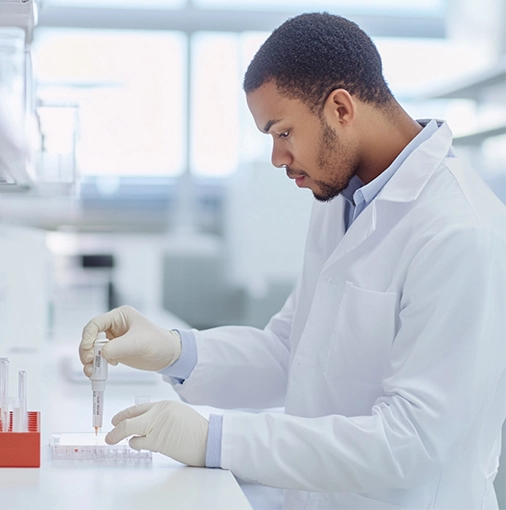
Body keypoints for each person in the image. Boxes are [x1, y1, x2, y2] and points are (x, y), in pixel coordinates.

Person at [79, 12, 506, 510]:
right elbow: (292, 352)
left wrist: (216, 439)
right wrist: (175, 352)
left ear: (341, 109)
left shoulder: (460, 230)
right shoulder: (343, 200)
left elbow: (410, 442)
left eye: (282, 132)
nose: (277, 158)